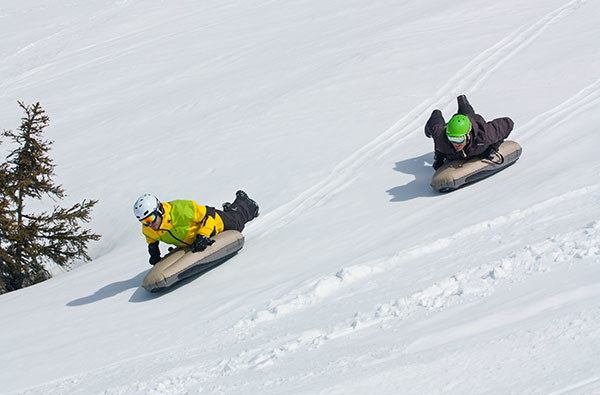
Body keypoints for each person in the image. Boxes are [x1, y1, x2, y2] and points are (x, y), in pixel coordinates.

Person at [133, 190, 259, 265]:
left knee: (237, 223)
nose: (150, 224)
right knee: (230, 216)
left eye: (151, 219)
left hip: (213, 224)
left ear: (159, 211)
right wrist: (154, 252)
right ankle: (229, 209)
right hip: (193, 240)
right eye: (144, 222)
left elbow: (208, 213)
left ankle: (244, 202)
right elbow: (150, 238)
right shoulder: (149, 228)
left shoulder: (180, 209)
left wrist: (203, 235)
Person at [424, 94, 514, 170]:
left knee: (467, 113)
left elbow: (508, 123)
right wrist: (439, 156)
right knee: (435, 126)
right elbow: (439, 144)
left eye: (459, 138)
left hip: (473, 121)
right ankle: (436, 114)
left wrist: (493, 147)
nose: (455, 143)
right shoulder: (443, 140)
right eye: (452, 138)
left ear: (468, 136)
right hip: (453, 126)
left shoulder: (484, 135)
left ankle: (462, 101)